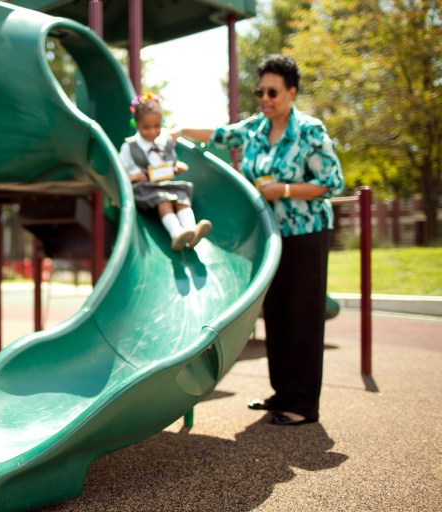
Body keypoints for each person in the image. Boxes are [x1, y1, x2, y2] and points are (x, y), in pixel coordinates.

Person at [173, 54, 344, 426]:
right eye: (260, 91)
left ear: (291, 92)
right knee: (277, 314)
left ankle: (302, 404)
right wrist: (179, 131)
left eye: (273, 92)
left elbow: (331, 183)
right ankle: (281, 393)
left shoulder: (310, 131)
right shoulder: (254, 129)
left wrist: (281, 190)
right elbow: (219, 134)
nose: (264, 98)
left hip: (305, 234)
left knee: (303, 316)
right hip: (271, 238)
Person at [119, 92, 212, 251]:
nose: (152, 132)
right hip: (145, 189)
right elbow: (119, 172)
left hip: (165, 184)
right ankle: (176, 234)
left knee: (181, 197)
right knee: (164, 200)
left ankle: (192, 231)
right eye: (146, 128)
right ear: (136, 125)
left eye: (157, 126)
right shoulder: (130, 147)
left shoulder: (164, 141)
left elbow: (171, 163)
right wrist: (133, 176)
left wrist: (177, 167)